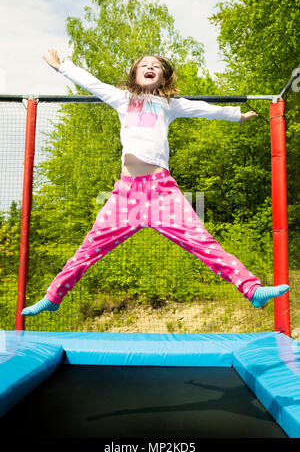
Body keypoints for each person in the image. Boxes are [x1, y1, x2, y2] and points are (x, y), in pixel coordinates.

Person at [21, 49, 289, 316]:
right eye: (144, 65)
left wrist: (236, 115)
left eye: (156, 66)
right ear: (135, 74)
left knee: (202, 241)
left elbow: (202, 109)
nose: (150, 67)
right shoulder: (122, 99)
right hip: (126, 195)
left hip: (161, 192)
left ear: (163, 78)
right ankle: (54, 296)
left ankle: (252, 290)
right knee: (89, 247)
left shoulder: (169, 104)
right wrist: (61, 66)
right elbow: (91, 82)